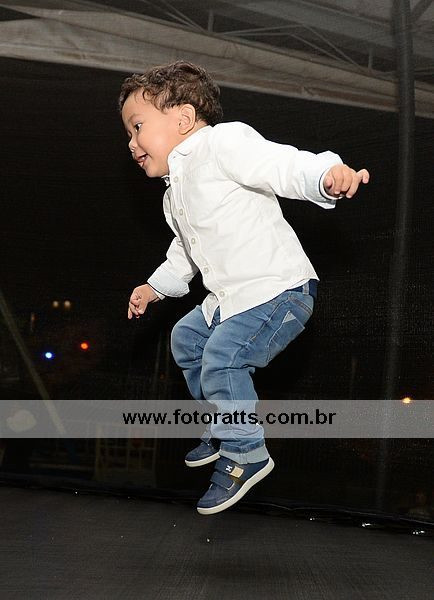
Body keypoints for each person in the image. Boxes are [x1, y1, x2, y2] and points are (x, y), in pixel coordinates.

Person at [119, 60, 369, 515]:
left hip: (278, 290)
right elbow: (186, 250)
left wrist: (325, 174)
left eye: (138, 127)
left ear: (183, 118)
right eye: (128, 134)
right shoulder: (174, 195)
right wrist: (155, 288)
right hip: (231, 300)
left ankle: (245, 451)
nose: (131, 143)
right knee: (187, 338)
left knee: (223, 358)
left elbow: (280, 163)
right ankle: (224, 422)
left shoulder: (222, 143)